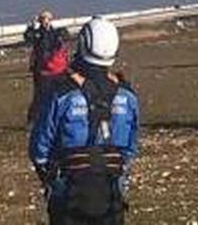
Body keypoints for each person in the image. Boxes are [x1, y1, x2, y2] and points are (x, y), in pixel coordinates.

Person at [30, 16, 139, 224]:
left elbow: (39, 149)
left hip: (68, 192)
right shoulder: (128, 96)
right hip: (111, 192)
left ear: (82, 45)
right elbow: (130, 148)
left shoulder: (61, 94)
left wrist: (49, 178)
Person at [23, 9, 71, 125]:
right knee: (39, 96)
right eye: (43, 19)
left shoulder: (54, 33)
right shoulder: (37, 33)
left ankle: (52, 118)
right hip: (40, 70)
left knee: (55, 95)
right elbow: (28, 38)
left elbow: (63, 42)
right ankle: (32, 119)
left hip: (54, 69)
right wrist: (30, 27)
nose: (45, 21)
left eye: (47, 18)